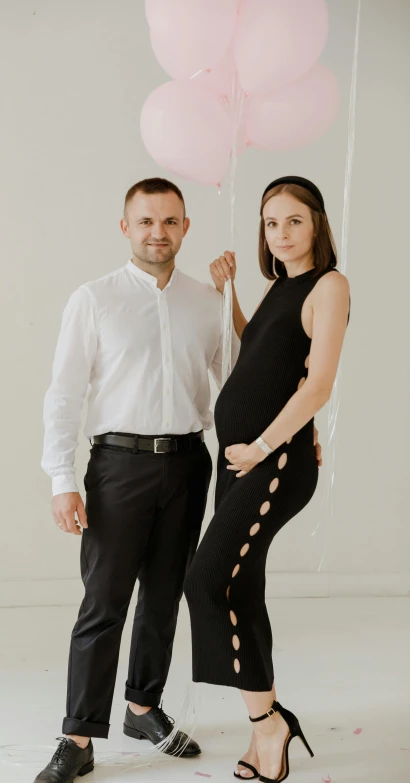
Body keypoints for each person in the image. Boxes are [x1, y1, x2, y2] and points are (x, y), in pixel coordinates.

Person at [34, 177, 241, 783]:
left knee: (162, 596)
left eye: (170, 221)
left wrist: (231, 296)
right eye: (146, 221)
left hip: (187, 462)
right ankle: (78, 737)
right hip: (118, 468)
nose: (159, 232)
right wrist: (60, 477)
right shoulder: (94, 299)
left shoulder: (206, 300)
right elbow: (65, 392)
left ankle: (142, 706)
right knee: (103, 604)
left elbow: (238, 377)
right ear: (126, 227)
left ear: (185, 226)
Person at [184, 176, 350, 783]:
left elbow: (318, 384)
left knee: (205, 580)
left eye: (293, 221)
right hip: (245, 461)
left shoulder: (330, 285)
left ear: (318, 225)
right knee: (240, 589)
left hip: (271, 462)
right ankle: (268, 729)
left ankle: (268, 724)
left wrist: (262, 446)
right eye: (270, 223)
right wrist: (229, 292)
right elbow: (256, 349)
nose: (280, 233)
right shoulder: (282, 286)